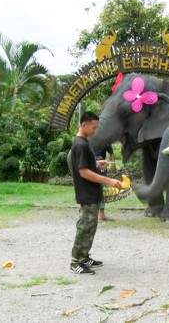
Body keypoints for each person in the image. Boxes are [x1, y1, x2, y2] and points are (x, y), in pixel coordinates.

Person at [69, 111, 122, 274]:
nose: (95, 131)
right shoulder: (81, 144)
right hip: (86, 193)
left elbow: (86, 165)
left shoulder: (85, 142)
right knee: (85, 227)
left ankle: (84, 257)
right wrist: (109, 180)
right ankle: (76, 261)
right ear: (84, 125)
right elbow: (83, 171)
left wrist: (98, 164)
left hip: (92, 192)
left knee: (91, 226)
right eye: (93, 127)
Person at [95, 145, 117, 221]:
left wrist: (113, 164)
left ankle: (102, 214)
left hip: (102, 168)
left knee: (103, 190)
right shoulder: (89, 138)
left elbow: (111, 153)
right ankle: (90, 213)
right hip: (91, 166)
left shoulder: (105, 140)